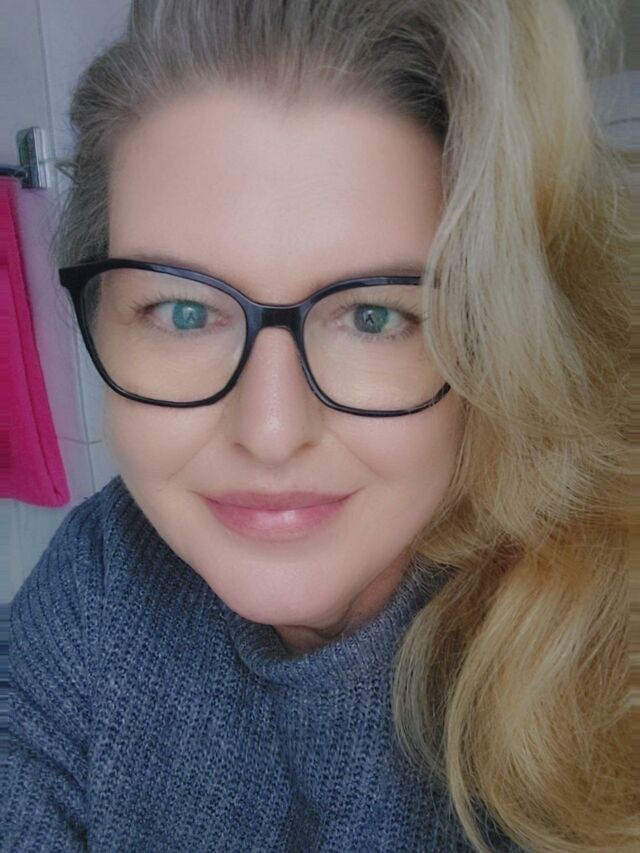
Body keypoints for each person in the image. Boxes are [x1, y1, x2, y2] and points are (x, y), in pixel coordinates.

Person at [2, 1, 634, 851]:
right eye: (184, 311)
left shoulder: (609, 655)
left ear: (503, 338)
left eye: (375, 317)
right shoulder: (104, 576)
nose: (269, 432)